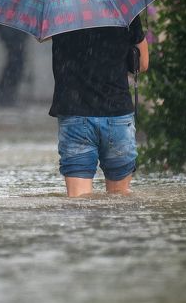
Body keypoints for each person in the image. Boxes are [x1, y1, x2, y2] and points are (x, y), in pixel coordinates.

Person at [49, 17, 149, 198]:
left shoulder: (61, 10)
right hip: (117, 116)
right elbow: (142, 64)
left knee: (78, 203)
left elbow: (41, 35)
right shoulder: (123, 10)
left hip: (75, 115)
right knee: (120, 202)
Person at [0, 25, 27, 107]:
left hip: (15, 32)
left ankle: (6, 96)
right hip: (13, 32)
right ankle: (5, 96)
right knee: (15, 63)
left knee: (16, 63)